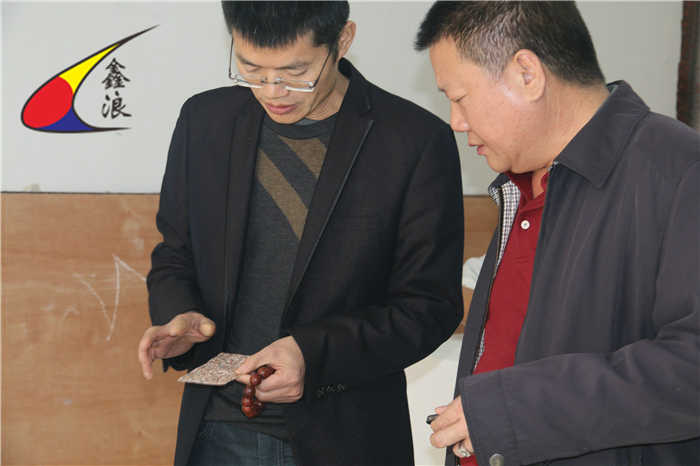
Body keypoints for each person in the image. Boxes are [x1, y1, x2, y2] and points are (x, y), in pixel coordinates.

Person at [137, 2, 464, 465]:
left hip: (346, 437)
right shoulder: (205, 121)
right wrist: (180, 314)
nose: (273, 91)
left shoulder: (412, 140)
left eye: (295, 72)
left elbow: (429, 307)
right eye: (251, 69)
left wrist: (313, 354)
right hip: (218, 429)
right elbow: (175, 253)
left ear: (342, 41)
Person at [414, 2, 700, 466]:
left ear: (527, 74)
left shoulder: (682, 173)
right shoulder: (523, 180)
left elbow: (691, 370)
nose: (455, 121)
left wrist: (514, 409)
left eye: (459, 97)